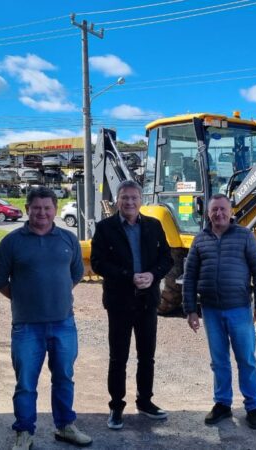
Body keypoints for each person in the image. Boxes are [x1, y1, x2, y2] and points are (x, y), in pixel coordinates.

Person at [0, 186, 92, 449]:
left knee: (64, 378)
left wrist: (56, 293)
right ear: (27, 209)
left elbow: (76, 273)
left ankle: (65, 426)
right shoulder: (12, 242)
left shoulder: (68, 239)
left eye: (48, 208)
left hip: (64, 324)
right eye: (37, 208)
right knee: (25, 383)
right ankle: (24, 432)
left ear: (55, 210)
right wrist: (22, 297)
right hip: (26, 327)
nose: (42, 213)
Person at [90, 179, 173, 430]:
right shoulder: (105, 228)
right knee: (119, 357)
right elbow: (98, 263)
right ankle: (116, 407)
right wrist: (129, 276)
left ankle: (145, 402)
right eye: (124, 198)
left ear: (141, 200)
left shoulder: (154, 226)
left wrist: (153, 275)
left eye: (134, 198)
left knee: (147, 356)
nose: (129, 202)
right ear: (118, 200)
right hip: (119, 302)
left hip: (148, 302)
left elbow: (166, 259)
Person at [183, 193, 256, 430]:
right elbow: (189, 277)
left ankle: (252, 407)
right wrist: (190, 310)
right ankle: (222, 404)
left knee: (246, 360)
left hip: (239, 309)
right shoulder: (200, 240)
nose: (218, 214)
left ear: (230, 212)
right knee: (219, 361)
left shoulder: (245, 237)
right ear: (208, 213)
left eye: (223, 209)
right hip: (210, 311)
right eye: (214, 210)